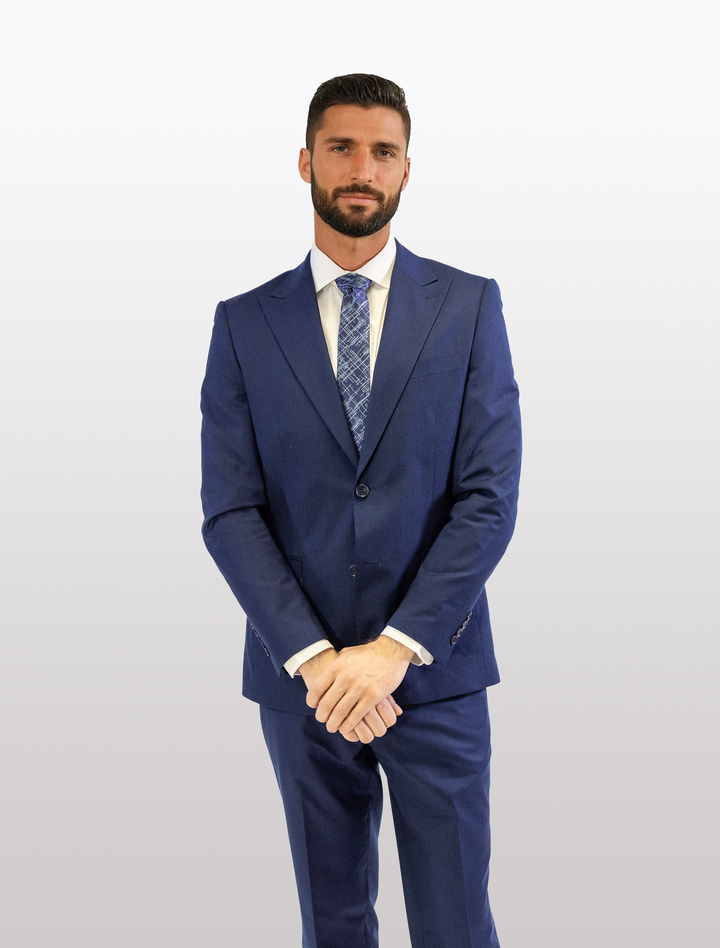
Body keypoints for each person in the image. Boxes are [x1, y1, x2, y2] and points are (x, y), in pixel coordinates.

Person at [201, 73, 521, 948]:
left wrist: (391, 652)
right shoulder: (243, 324)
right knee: (331, 925)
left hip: (435, 674)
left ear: (407, 170)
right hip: (301, 686)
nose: (361, 168)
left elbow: (488, 499)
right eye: (341, 147)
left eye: (383, 151)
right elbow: (229, 511)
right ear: (306, 160)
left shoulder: (468, 306)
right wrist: (314, 659)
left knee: (456, 925)